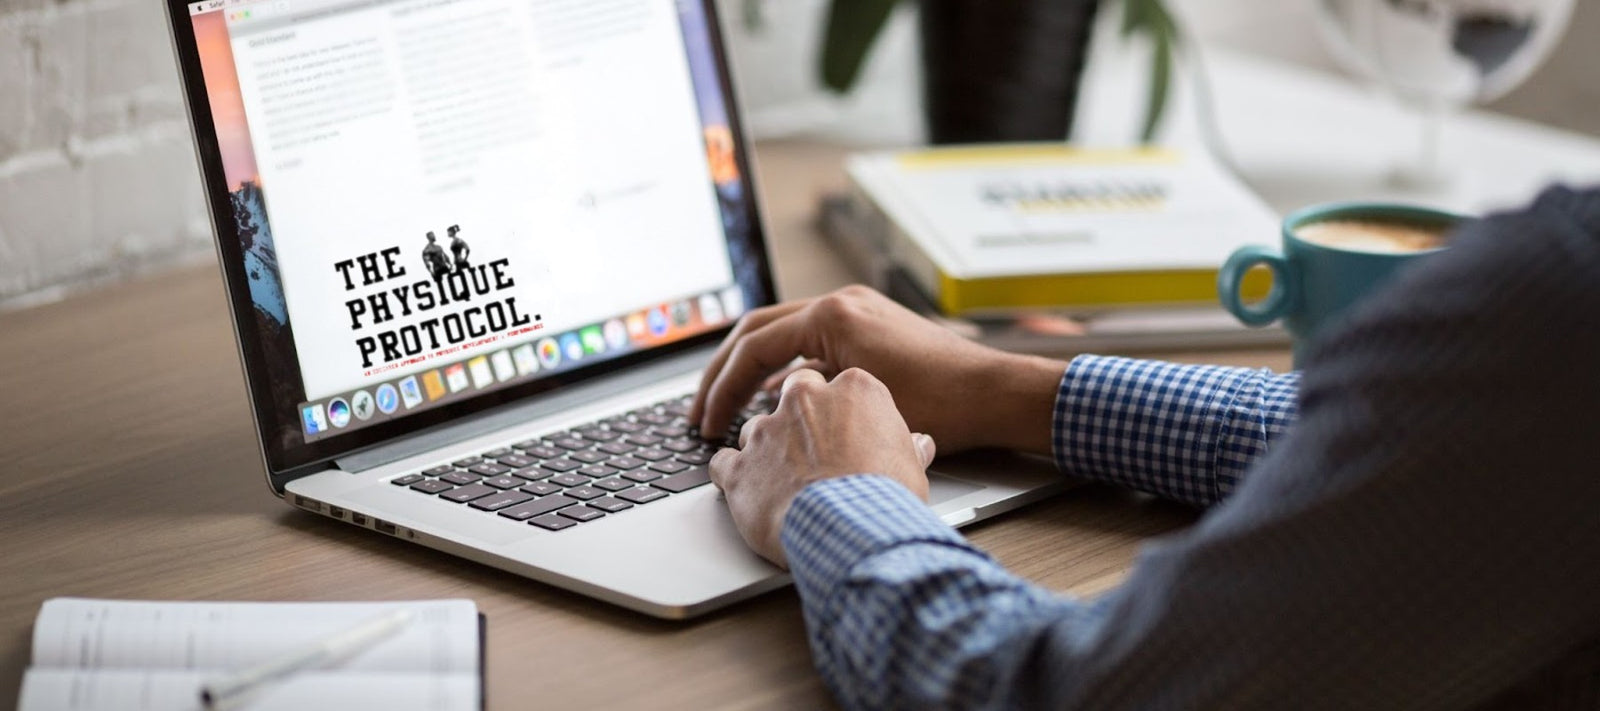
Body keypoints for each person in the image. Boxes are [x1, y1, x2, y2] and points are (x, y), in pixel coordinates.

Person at [691, 186, 1600, 710]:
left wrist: (842, 498)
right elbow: (1438, 451)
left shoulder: (1554, 297)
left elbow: (1057, 695)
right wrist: (1011, 390)